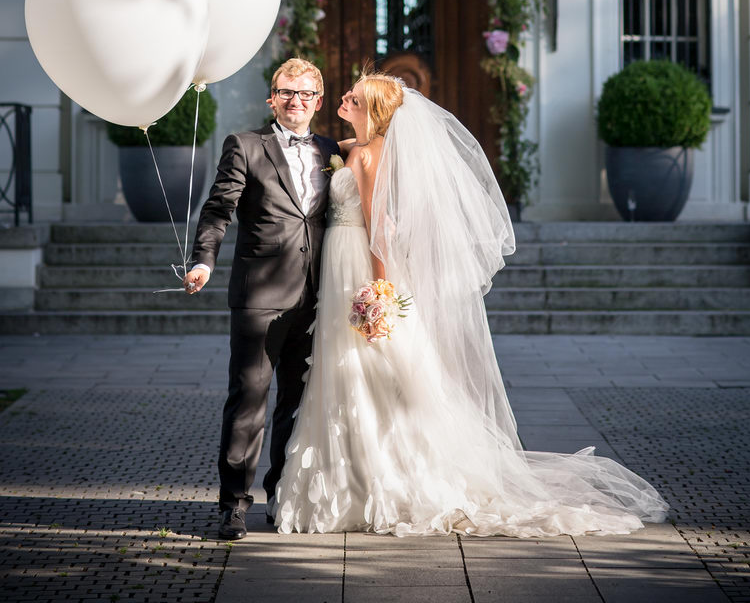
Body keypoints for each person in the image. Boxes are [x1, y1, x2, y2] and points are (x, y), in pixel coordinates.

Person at [274, 73, 669, 537]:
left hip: (358, 267)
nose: (343, 98)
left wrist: (379, 290)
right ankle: (362, 475)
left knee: (360, 369)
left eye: (353, 98)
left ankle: (373, 480)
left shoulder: (364, 156)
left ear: (373, 112)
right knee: (357, 371)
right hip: (342, 262)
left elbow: (380, 227)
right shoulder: (357, 148)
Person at [182, 58, 339, 541]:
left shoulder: (333, 150)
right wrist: (204, 259)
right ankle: (233, 505)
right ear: (272, 98)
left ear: (318, 100)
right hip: (259, 297)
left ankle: (282, 497)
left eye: (305, 93)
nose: (295, 101)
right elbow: (218, 207)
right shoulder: (245, 145)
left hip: (317, 300)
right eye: (286, 92)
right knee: (248, 400)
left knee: (296, 404)